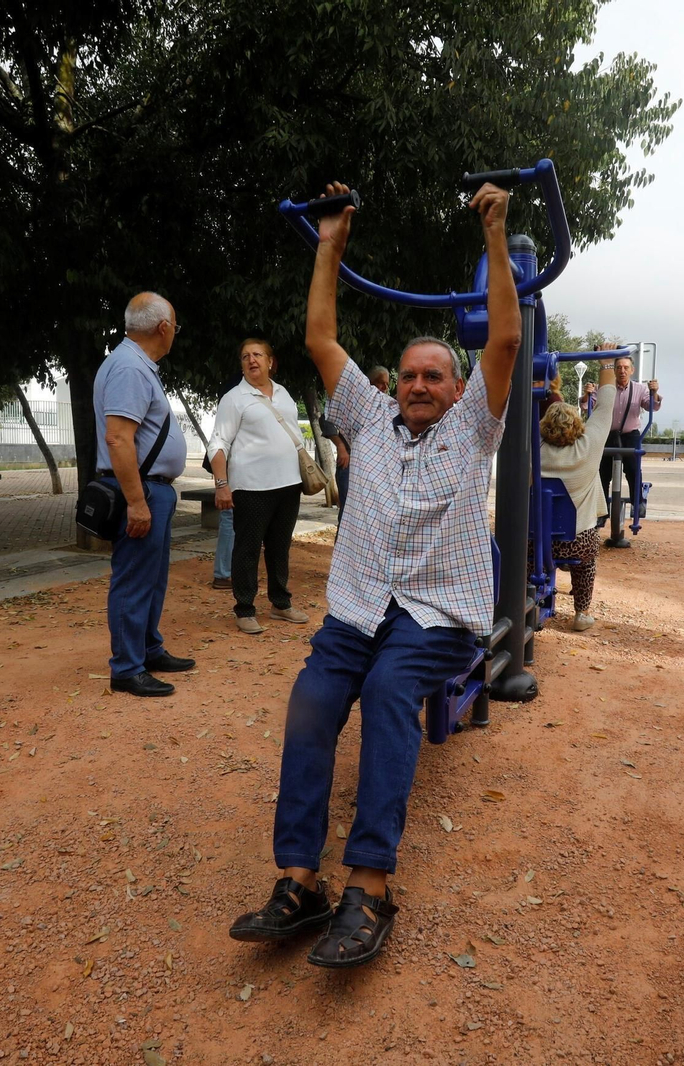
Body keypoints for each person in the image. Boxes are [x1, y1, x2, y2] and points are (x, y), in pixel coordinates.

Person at [228, 179, 520, 969]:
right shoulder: (367, 415)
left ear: (458, 390)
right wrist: (331, 241)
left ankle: (371, 884)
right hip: (360, 611)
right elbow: (320, 336)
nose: (421, 384)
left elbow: (503, 341)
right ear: (394, 382)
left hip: (437, 615)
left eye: (436, 375)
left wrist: (494, 235)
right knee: (313, 703)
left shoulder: (473, 430)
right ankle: (299, 879)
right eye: (410, 374)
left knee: (392, 694)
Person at [95, 292, 196, 697]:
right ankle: (126, 668)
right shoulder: (130, 369)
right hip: (140, 492)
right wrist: (136, 502)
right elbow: (119, 439)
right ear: (163, 328)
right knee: (134, 579)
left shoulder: (136, 365)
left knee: (151, 579)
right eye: (176, 326)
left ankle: (147, 649)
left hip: (152, 490)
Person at [208, 339, 310, 634]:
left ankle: (280, 604)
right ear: (241, 365)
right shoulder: (234, 398)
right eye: (245, 356)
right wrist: (222, 485)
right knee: (247, 549)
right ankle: (245, 608)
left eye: (257, 355)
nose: (251, 360)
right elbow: (218, 443)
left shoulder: (284, 393)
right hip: (252, 488)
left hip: (289, 485)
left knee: (280, 548)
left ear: (270, 361)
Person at [540, 351, 619, 631]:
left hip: (535, 542)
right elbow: (606, 404)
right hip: (576, 539)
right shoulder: (588, 447)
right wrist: (607, 363)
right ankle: (581, 612)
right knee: (586, 560)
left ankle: (525, 597)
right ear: (579, 427)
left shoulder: (533, 451)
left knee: (522, 553)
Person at [596, 355, 661, 517]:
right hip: (608, 434)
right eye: (619, 368)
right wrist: (587, 395)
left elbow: (651, 406)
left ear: (632, 370)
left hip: (630, 435)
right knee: (603, 472)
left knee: (633, 469)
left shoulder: (640, 389)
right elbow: (588, 404)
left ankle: (637, 503)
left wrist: (654, 393)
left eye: (626, 368)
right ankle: (601, 510)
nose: (622, 371)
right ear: (614, 371)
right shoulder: (605, 388)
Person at [321, 367, 386, 523]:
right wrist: (341, 446)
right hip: (349, 464)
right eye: (381, 383)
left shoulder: (385, 406)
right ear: (370, 383)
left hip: (373, 467)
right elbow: (325, 420)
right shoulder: (354, 402)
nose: (384, 388)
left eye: (386, 384)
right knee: (348, 513)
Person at [209, 370, 244, 590]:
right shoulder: (236, 395)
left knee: (231, 520)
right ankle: (223, 573)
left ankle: (226, 571)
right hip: (230, 468)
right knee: (229, 518)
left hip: (233, 468)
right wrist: (222, 483)